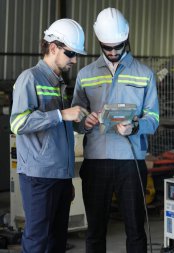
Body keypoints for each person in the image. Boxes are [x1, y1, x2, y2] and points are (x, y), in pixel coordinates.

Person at [71, 7, 159, 253]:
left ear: (127, 39)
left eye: (117, 47)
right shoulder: (85, 75)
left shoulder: (144, 75)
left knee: (135, 232)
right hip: (96, 162)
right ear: (99, 42)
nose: (112, 52)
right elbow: (75, 117)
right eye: (106, 47)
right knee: (95, 232)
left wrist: (135, 126)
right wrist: (83, 123)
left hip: (131, 163)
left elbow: (153, 118)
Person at [10, 19, 88, 252]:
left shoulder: (58, 83)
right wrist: (61, 114)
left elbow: (59, 128)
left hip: (59, 177)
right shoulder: (30, 78)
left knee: (56, 241)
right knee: (37, 240)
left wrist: (83, 123)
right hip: (38, 177)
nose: (74, 59)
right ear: (53, 48)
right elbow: (18, 123)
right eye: (71, 53)